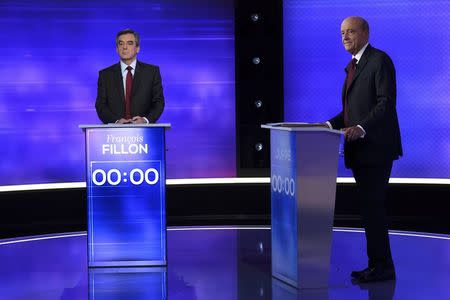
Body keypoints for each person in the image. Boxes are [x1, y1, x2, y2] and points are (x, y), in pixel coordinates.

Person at [326, 16, 402, 282]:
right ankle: (378, 265)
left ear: (366, 32)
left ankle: (382, 267)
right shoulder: (352, 67)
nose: (345, 37)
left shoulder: (379, 61)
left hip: (376, 148)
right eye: (342, 33)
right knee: (370, 208)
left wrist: (361, 128)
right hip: (360, 150)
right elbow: (349, 112)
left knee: (373, 208)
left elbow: (385, 103)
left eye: (351, 31)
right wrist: (325, 125)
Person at [95, 29, 165, 124]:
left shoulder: (152, 72)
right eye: (121, 43)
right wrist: (116, 121)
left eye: (130, 43)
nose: (124, 47)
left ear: (137, 48)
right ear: (117, 49)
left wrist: (145, 120)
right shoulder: (105, 75)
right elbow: (101, 106)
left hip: (144, 132)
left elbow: (158, 102)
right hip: (114, 134)